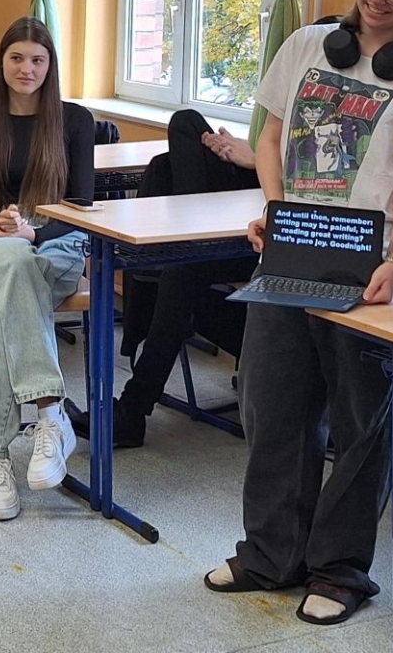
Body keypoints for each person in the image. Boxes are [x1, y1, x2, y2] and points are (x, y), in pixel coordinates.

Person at [204, 0, 393, 625]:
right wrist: (276, 210)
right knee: (271, 406)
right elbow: (269, 138)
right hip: (290, 254)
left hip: (368, 266)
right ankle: (270, 554)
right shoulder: (307, 45)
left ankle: (341, 571)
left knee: (359, 422)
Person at [0, 16, 94, 521]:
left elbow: (82, 205)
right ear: (1, 63)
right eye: (16, 58)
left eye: (37, 60)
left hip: (59, 240)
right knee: (13, 263)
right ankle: (51, 415)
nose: (26, 69)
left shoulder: (75, 121)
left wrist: (35, 233)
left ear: (50, 65)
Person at [65, 107, 260, 447]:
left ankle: (133, 408)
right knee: (180, 132)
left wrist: (256, 160)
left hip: (275, 226)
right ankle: (185, 234)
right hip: (250, 206)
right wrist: (237, 151)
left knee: (181, 271)